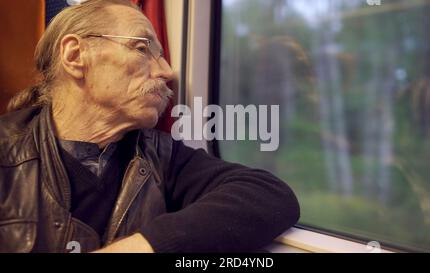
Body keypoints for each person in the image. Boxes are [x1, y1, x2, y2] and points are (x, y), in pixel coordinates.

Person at [0, 0, 299, 253]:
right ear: (76, 56)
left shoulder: (160, 156)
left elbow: (271, 196)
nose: (167, 72)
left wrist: (144, 246)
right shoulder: (6, 152)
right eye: (143, 49)